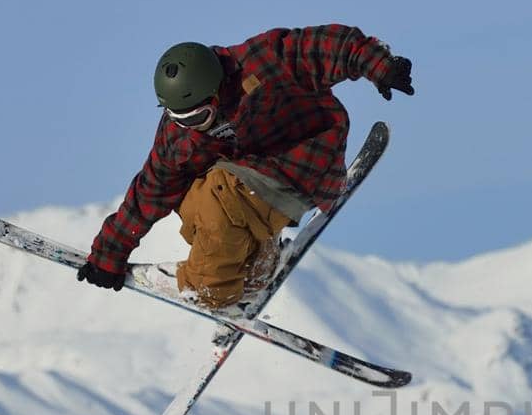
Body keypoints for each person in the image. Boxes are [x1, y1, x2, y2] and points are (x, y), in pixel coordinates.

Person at [77, 25, 414, 308]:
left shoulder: (262, 62)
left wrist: (379, 66)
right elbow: (151, 190)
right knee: (190, 200)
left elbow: (328, 46)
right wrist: (110, 251)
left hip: (305, 155)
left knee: (217, 197)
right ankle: (252, 278)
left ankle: (207, 288)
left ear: (216, 93)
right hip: (251, 180)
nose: (194, 127)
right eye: (181, 119)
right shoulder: (179, 136)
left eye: (199, 117)